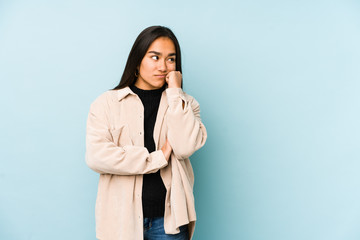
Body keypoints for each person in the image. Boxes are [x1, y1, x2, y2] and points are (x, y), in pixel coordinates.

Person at [85, 25, 207, 240]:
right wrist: (157, 158)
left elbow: (185, 146)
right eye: (155, 57)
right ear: (138, 60)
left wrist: (175, 92)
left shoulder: (185, 104)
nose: (163, 66)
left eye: (171, 59)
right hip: (121, 221)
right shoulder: (106, 104)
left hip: (169, 222)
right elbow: (97, 157)